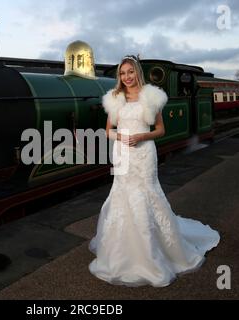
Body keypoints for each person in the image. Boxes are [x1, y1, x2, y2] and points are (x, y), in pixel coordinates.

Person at [89, 55, 220, 287]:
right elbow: (108, 130)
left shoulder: (152, 96)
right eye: (122, 73)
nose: (126, 77)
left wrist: (142, 136)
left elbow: (160, 130)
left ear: (137, 72)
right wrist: (120, 136)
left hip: (144, 151)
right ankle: (123, 250)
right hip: (122, 152)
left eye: (130, 72)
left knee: (147, 193)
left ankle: (154, 252)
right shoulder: (115, 98)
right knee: (122, 194)